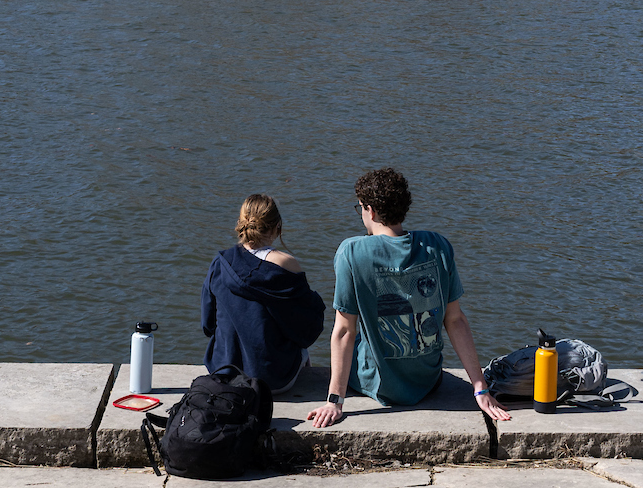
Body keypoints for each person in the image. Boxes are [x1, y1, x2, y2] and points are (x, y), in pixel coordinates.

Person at [307, 168, 510, 427]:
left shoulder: (352, 252)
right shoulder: (438, 245)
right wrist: (480, 389)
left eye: (359, 208)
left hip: (381, 387)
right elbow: (455, 320)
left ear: (370, 211)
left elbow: (344, 331)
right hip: (428, 381)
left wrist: (334, 401)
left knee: (357, 336)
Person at [201, 194, 326, 398]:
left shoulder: (220, 263)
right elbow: (308, 329)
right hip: (271, 380)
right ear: (277, 227)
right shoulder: (286, 266)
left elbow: (208, 325)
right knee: (301, 349)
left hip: (224, 374)